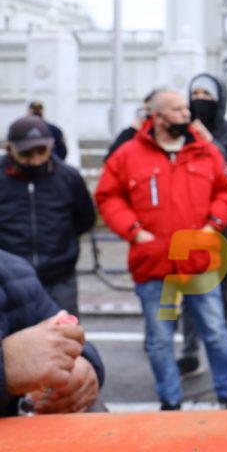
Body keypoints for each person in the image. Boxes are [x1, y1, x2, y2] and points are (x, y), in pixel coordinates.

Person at [95, 90, 227, 410]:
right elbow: (108, 196)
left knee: (215, 333)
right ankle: (170, 401)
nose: (186, 115)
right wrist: (135, 232)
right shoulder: (128, 155)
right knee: (160, 339)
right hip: (155, 264)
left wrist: (211, 225)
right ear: (157, 117)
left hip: (198, 262)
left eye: (185, 108)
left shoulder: (206, 151)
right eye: (177, 110)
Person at [178, 74, 227, 388]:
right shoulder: (180, 132)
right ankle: (190, 352)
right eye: (194, 92)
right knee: (188, 290)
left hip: (220, 226)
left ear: (219, 98)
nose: (199, 98)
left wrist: (209, 141)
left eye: (206, 93)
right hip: (185, 225)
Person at [0, 116, 96, 316]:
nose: (36, 160)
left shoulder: (68, 177)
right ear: (10, 149)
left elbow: (84, 218)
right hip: (8, 277)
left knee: (65, 338)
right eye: (26, 153)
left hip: (59, 276)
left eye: (42, 151)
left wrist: (63, 249)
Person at [1, 249, 105, 416]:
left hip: (60, 265)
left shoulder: (15, 271)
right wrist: (6, 366)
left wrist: (81, 366)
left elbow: (70, 338)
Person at [104, 89, 162, 162]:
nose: (146, 115)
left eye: (149, 110)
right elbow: (111, 157)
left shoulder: (174, 137)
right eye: (144, 111)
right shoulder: (134, 133)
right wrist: (132, 130)